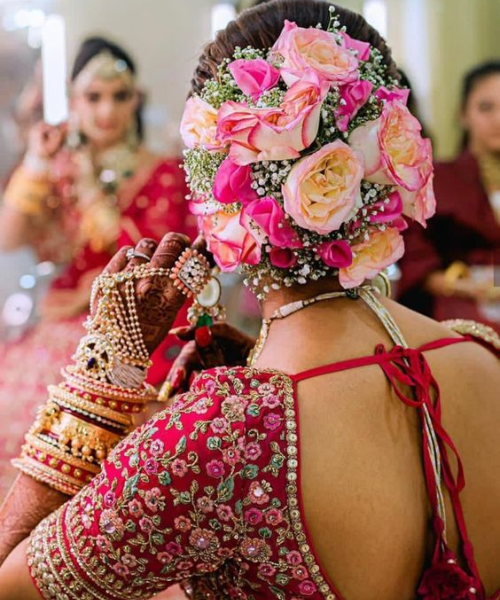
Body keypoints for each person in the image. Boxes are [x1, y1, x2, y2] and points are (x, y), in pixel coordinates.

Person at [0, 2, 500, 599]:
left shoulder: (221, 435)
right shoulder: (483, 356)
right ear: (390, 167)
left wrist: (104, 371)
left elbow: (13, 582)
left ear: (219, 198)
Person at [0, 36, 196, 499]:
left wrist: (90, 189)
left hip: (141, 328)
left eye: (119, 96)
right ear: (73, 102)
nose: (106, 110)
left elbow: (155, 261)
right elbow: (9, 239)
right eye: (93, 97)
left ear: (136, 100)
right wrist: (35, 162)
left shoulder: (166, 171)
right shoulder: (58, 169)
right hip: (65, 320)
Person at [398, 61, 500, 331]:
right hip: (458, 312)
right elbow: (414, 257)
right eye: (486, 107)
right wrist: (463, 285)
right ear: (463, 114)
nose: (498, 120)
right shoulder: (436, 178)